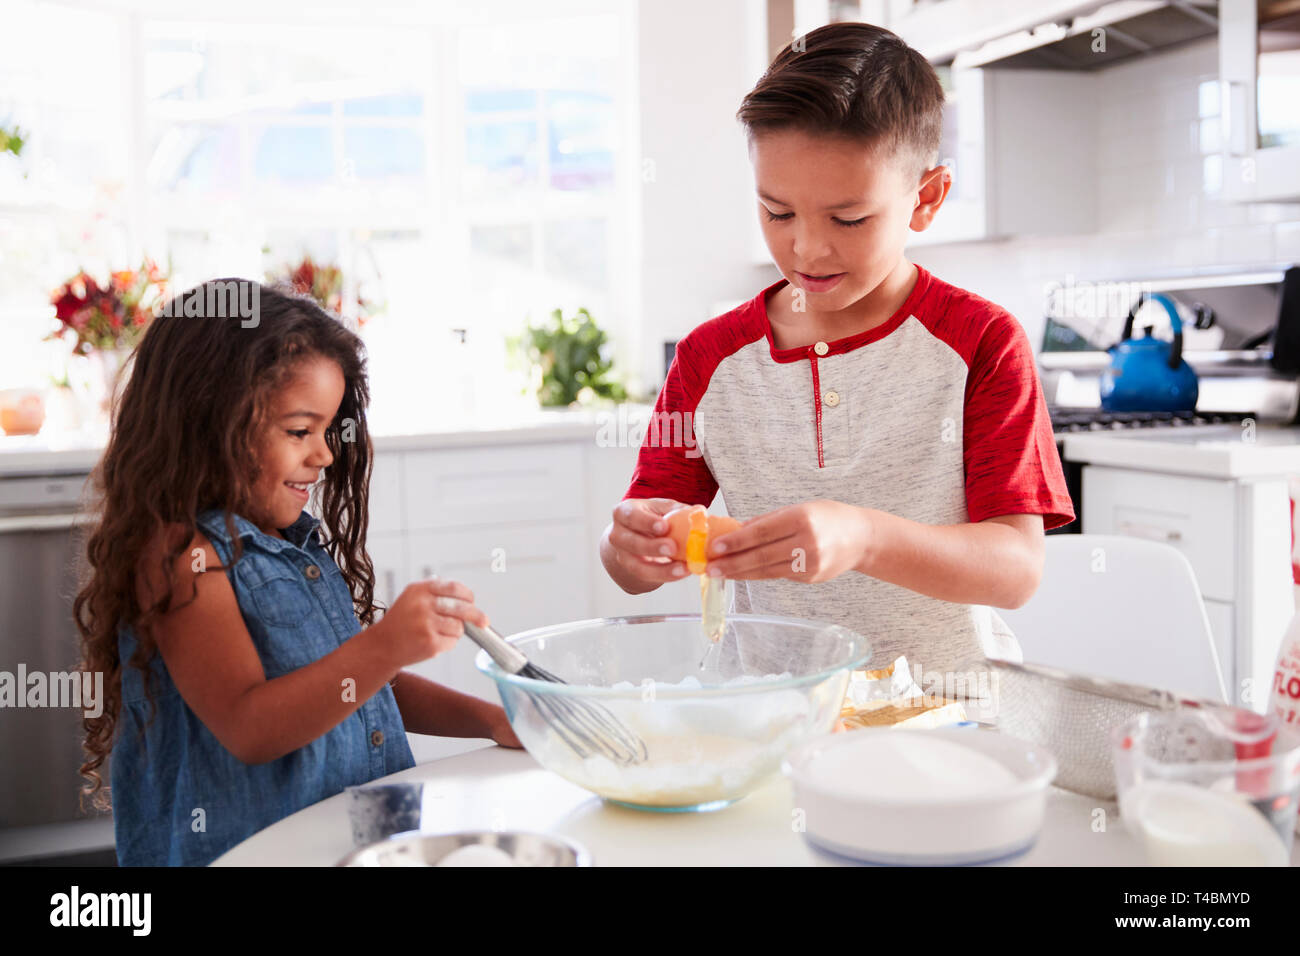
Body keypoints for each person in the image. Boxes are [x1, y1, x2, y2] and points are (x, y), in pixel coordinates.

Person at [600, 22, 1075, 701]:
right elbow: (636, 563)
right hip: (767, 714)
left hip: (948, 717)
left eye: (848, 219)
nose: (807, 250)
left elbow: (1017, 570)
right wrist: (629, 549)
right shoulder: (711, 357)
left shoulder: (981, 342)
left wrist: (863, 537)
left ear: (927, 198)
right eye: (777, 211)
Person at [75, 279, 520, 866]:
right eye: (298, 431)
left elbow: (356, 689)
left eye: (328, 430)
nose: (325, 454)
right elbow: (248, 724)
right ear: (211, 421)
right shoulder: (182, 557)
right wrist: (386, 646)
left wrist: (495, 719)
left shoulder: (291, 541)